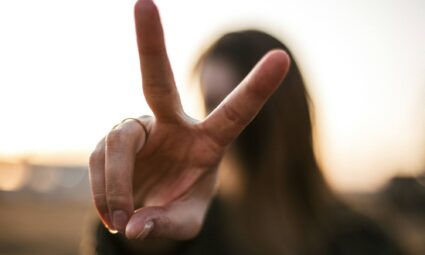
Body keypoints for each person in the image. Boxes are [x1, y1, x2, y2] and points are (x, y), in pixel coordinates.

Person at [89, 0, 403, 254]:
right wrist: (142, 222)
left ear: (287, 113)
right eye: (212, 106)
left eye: (244, 104)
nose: (222, 126)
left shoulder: (366, 242)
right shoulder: (193, 234)